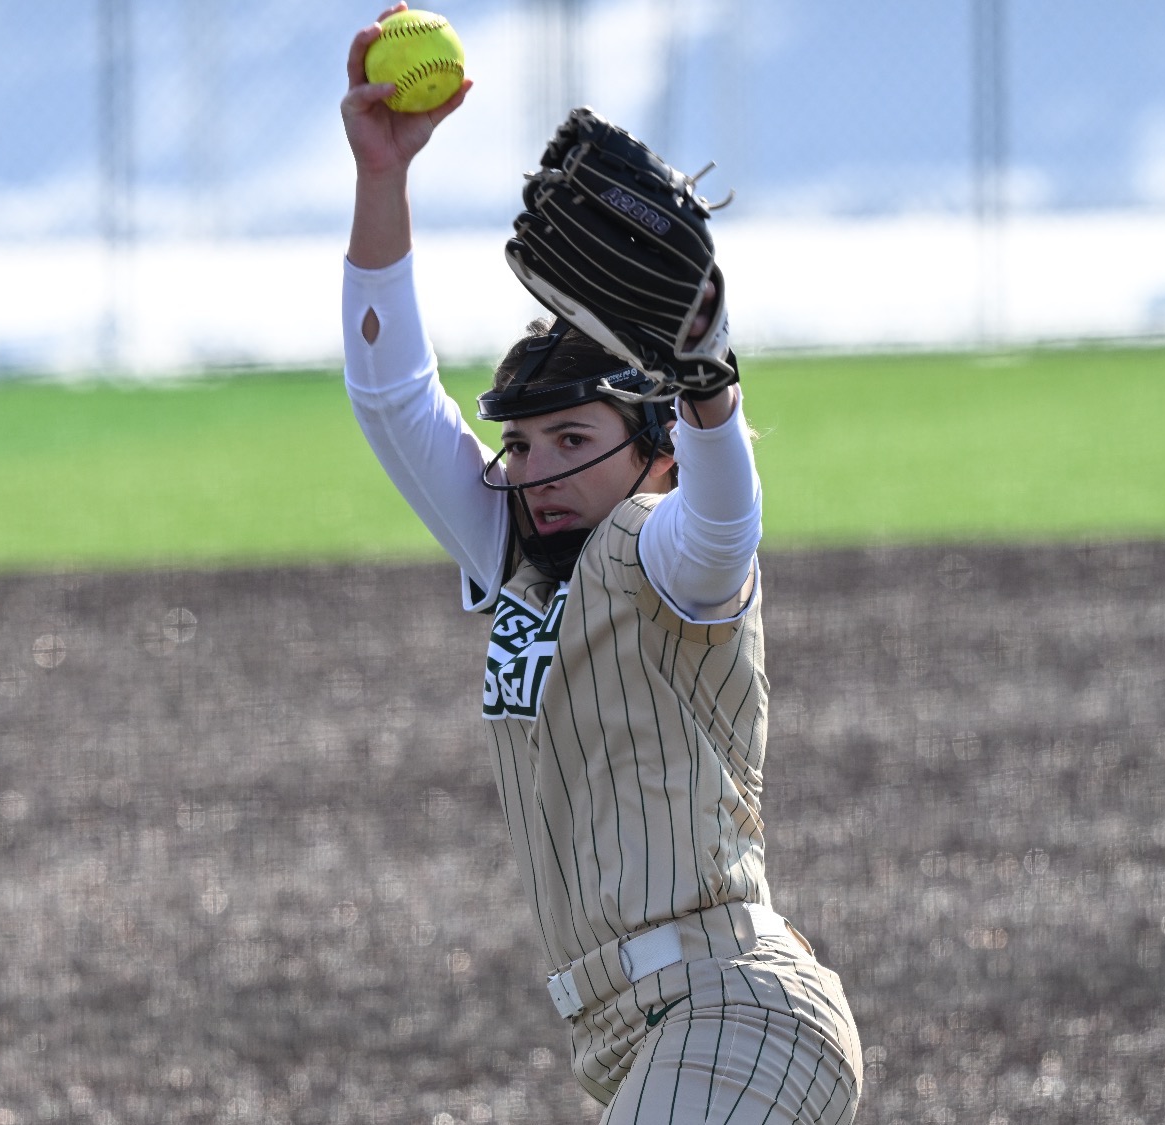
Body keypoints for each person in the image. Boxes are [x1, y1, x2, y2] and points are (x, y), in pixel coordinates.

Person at [340, 8, 862, 1123]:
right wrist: (381, 177)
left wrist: (709, 387)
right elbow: (391, 400)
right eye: (522, 445)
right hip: (633, 1043)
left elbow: (727, 521)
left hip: (740, 1013)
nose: (537, 470)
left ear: (651, 451)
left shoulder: (668, 552)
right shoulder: (517, 555)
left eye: (574, 442)